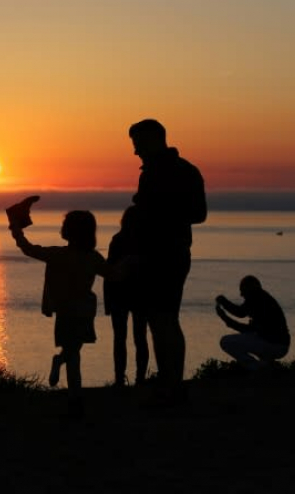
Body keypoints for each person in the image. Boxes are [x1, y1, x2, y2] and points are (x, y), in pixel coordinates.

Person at [128, 118, 207, 406]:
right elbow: (198, 214)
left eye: (137, 144)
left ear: (151, 140)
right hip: (172, 253)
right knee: (166, 320)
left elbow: (196, 213)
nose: (135, 152)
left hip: (161, 255)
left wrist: (153, 207)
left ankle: (170, 385)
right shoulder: (184, 170)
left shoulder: (162, 172)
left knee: (161, 320)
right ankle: (172, 382)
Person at [9, 208, 109, 417]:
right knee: (74, 354)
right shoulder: (93, 257)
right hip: (81, 310)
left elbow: (28, 248)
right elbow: (114, 274)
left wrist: (17, 229)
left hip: (70, 311)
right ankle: (75, 397)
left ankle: (60, 366)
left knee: (72, 352)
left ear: (69, 232)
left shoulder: (59, 255)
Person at [104, 205, 149, 387]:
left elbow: (109, 270)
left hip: (129, 294)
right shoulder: (141, 241)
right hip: (126, 294)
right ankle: (129, 379)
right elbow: (110, 270)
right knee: (133, 338)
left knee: (130, 338)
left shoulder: (121, 239)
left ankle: (127, 379)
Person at [216, 275, 290, 371]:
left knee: (225, 342)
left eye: (242, 290)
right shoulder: (264, 299)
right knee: (254, 341)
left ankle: (256, 368)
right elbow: (248, 329)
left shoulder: (257, 298)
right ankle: (267, 366)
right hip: (280, 345)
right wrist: (225, 317)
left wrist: (224, 302)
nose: (241, 295)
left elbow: (240, 313)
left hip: (273, 344)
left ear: (249, 289)